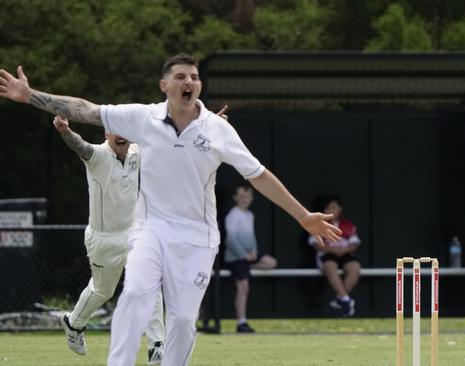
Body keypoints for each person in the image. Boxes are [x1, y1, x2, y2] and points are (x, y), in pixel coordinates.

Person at [0, 54, 341, 366]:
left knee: (180, 319)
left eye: (193, 77)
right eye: (180, 76)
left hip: (198, 238)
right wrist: (31, 96)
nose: (188, 82)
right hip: (151, 229)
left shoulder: (217, 129)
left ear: (200, 86)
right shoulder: (141, 118)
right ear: (165, 85)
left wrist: (303, 216)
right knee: (134, 293)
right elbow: (85, 109)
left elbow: (259, 176)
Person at [51, 116, 165, 365]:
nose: (122, 136)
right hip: (103, 239)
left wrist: (204, 128)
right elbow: (80, 146)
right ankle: (73, 323)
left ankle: (156, 345)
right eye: (116, 132)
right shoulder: (98, 156)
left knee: (150, 281)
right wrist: (66, 131)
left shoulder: (136, 152)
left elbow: (167, 143)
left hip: (133, 233)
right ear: (106, 135)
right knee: (103, 291)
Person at [223, 183, 277, 333]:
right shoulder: (233, 215)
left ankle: (248, 268)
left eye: (247, 196)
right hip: (235, 258)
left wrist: (253, 252)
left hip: (248, 258)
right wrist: (244, 255)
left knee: (271, 262)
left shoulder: (250, 215)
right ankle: (241, 322)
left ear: (251, 198)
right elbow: (230, 239)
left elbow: (251, 237)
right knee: (243, 286)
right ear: (235, 198)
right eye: (241, 196)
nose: (244, 199)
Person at [308, 195, 361, 317]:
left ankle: (341, 298)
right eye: (327, 208)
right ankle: (346, 300)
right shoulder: (319, 225)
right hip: (327, 255)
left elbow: (354, 243)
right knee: (330, 267)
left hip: (345, 254)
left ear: (340, 208)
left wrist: (344, 249)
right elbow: (316, 244)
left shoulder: (347, 224)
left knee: (355, 267)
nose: (331, 211)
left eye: (334, 207)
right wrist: (333, 249)